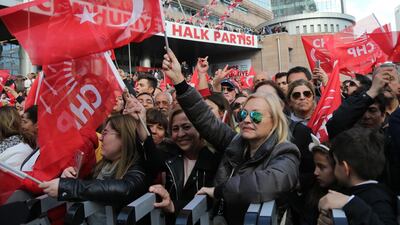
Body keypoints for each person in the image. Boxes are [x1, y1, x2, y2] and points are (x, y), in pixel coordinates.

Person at [161, 48, 300, 225]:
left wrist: (220, 191)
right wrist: (180, 82)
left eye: (256, 116)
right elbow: (205, 118)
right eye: (243, 115)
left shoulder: (286, 152)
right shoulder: (235, 142)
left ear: (274, 121)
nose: (247, 120)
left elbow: (267, 183)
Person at [39, 115, 148, 224]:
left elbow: (124, 189)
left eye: (105, 133)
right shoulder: (101, 166)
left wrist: (68, 186)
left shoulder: (138, 167)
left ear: (123, 138)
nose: (100, 137)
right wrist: (68, 178)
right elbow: (90, 187)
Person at [318, 128, 398, 225]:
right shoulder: (346, 191)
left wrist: (351, 203)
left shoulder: (379, 198)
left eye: (335, 162)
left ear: (345, 168)